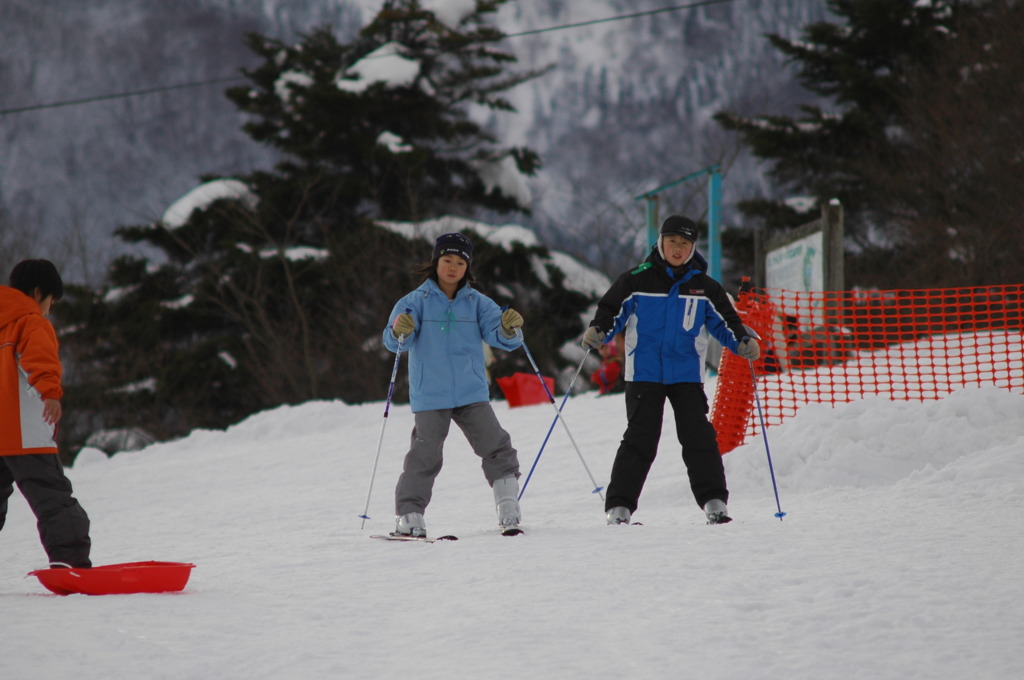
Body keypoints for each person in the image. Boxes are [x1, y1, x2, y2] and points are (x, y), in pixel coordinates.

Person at [581, 215, 760, 525]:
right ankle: (619, 509)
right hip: (644, 373)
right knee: (641, 439)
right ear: (660, 242)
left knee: (698, 437)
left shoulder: (704, 287)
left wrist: (741, 341)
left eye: (685, 243)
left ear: (693, 248)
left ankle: (715, 503)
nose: (678, 248)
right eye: (673, 241)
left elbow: (725, 322)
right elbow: (611, 311)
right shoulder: (636, 280)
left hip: (686, 374)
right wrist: (599, 331)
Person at [382, 233, 526, 537]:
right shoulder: (414, 301)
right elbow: (393, 341)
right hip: (431, 393)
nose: (453, 267)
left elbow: (502, 337)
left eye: (460, 262)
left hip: (470, 391)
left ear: (467, 267)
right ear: (436, 262)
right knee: (425, 456)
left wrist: (508, 327)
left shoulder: (477, 303)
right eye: (447, 260)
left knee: (497, 446)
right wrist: (399, 330)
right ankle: (409, 516)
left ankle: (508, 508)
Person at [1, 259, 92, 567]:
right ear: (39, 292)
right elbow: (40, 359)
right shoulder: (31, 322)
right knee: (52, 498)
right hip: (24, 435)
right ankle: (70, 561)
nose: (49, 309)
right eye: (51, 301)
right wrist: (50, 394)